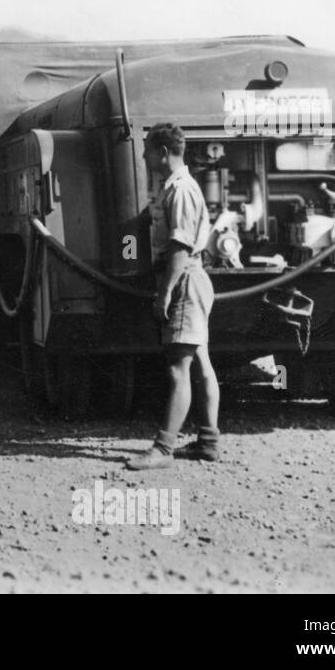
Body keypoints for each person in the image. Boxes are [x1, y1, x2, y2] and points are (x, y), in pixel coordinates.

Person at [128, 123, 221, 470]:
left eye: (148, 150)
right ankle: (208, 442)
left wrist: (164, 294)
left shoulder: (180, 190)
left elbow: (179, 247)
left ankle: (163, 450)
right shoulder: (181, 187)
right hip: (195, 278)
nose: (144, 156)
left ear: (163, 152)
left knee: (178, 368)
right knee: (201, 362)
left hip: (184, 280)